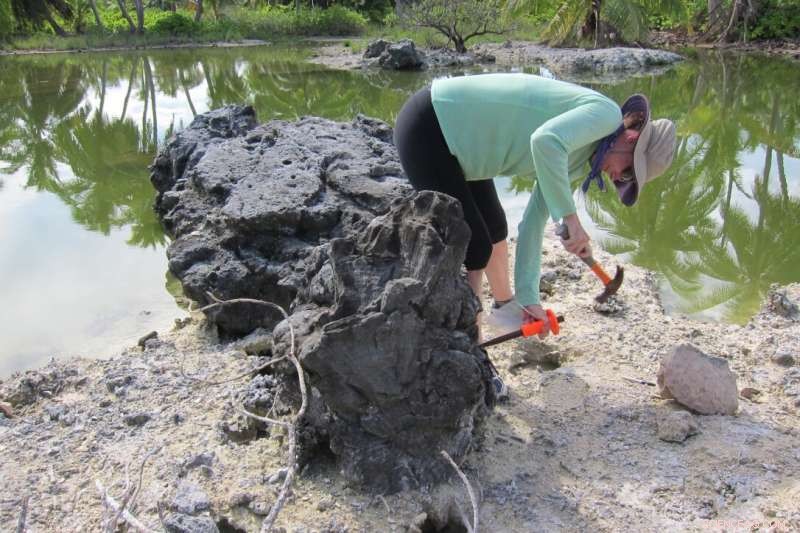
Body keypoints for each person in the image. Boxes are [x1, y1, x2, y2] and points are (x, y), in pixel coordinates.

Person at [393, 73, 676, 340]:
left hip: (465, 152)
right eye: (628, 172)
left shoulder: (582, 160)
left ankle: (506, 308)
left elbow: (533, 222)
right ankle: (472, 339)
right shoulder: (605, 114)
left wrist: (531, 299)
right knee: (475, 245)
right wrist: (570, 218)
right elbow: (545, 141)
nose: (618, 179)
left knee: (495, 227)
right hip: (430, 127)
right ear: (630, 139)